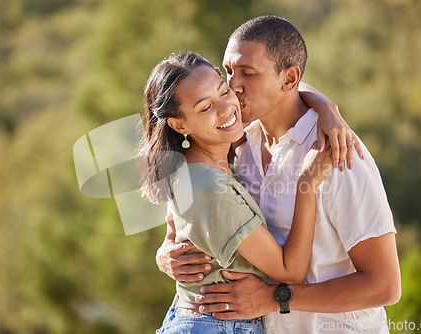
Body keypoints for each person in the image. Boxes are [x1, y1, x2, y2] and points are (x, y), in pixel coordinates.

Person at [156, 16, 401, 333]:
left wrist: (276, 298)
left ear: (289, 80)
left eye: (249, 73)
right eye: (228, 71)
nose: (233, 86)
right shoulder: (236, 141)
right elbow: (190, 210)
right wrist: (167, 252)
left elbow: (385, 287)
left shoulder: (337, 154)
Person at [138, 51, 335, 333]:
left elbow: (284, 86)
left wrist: (328, 109)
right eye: (205, 108)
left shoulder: (207, 163)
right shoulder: (208, 186)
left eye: (224, 91)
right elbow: (290, 271)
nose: (226, 108)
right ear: (179, 125)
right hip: (215, 325)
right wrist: (308, 183)